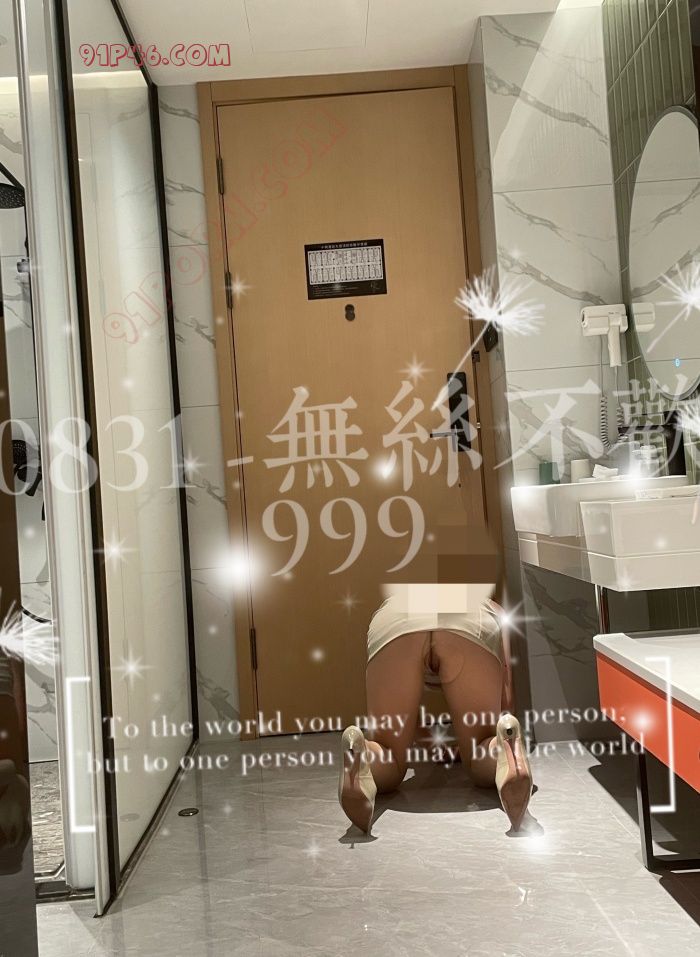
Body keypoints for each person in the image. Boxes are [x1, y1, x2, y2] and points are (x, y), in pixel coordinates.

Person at [337, 583, 533, 834]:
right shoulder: (493, 608)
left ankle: (361, 753)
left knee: (388, 755)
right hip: (469, 619)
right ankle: (506, 748)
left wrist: (428, 742)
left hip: (397, 616)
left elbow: (405, 710)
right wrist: (485, 736)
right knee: (480, 752)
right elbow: (507, 699)